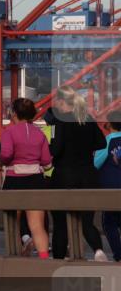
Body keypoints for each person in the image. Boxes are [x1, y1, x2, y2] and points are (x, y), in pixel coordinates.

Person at [46, 87, 109, 261]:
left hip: (64, 177)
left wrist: (50, 147)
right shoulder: (87, 118)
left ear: (60, 102)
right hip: (88, 176)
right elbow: (101, 143)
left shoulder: (60, 121)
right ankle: (98, 251)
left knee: (60, 224)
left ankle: (58, 260)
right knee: (87, 221)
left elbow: (56, 150)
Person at [0, 98, 52, 259]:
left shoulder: (9, 132)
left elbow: (6, 155)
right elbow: (46, 161)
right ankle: (43, 258)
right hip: (36, 179)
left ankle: (16, 258)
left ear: (14, 113)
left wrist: (0, 161)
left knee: (13, 223)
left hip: (14, 178)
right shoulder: (39, 133)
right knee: (37, 225)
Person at [94, 112, 121, 261]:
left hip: (110, 188)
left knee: (109, 222)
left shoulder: (106, 142)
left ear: (109, 124)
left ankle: (119, 254)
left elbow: (96, 164)